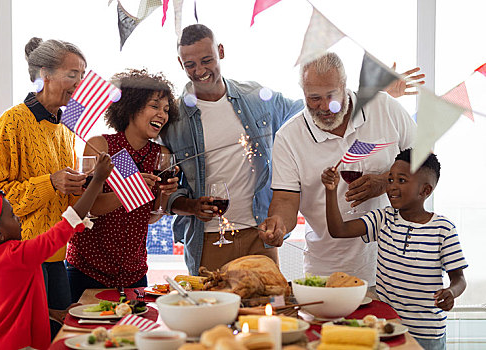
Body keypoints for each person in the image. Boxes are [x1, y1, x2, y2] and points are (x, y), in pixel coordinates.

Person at [259, 52, 417, 286]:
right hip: (327, 271)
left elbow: (425, 162)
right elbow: (285, 199)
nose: (325, 107)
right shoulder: (289, 137)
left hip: (395, 265)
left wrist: (386, 181)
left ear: (344, 86)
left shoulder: (384, 107)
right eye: (314, 98)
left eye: (331, 96)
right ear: (303, 93)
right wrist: (278, 224)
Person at [161, 24, 304, 275]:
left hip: (259, 233)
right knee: (212, 312)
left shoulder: (256, 97)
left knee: (267, 309)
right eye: (190, 64)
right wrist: (192, 206)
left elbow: (304, 113)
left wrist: (363, 97)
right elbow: (163, 190)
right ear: (180, 63)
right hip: (208, 240)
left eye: (207, 60)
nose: (200, 71)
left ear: (221, 51)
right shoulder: (173, 117)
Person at [0, 37, 87, 337]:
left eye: (82, 74)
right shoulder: (11, 123)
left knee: (60, 340)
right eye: (72, 74)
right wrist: (51, 183)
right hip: (21, 260)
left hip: (55, 256)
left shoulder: (66, 127)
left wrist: (82, 185)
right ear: (45, 75)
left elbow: (62, 195)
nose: (79, 82)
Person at [0, 153, 113, 350]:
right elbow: (65, 227)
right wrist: (98, 180)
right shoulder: (17, 255)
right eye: (12, 215)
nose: (18, 218)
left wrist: (53, 313)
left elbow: (8, 311)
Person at [321, 149, 467, 349]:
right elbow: (338, 230)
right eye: (390, 180)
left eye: (402, 180)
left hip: (427, 334)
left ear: (425, 191)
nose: (392, 187)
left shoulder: (443, 228)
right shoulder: (383, 218)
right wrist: (330, 191)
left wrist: (451, 292)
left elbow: (459, 279)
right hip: (387, 327)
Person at [66, 69, 180, 302]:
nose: (162, 114)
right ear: (132, 106)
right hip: (87, 271)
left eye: (167, 109)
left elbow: (151, 216)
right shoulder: (101, 146)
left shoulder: (162, 155)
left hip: (134, 275)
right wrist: (131, 189)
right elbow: (89, 209)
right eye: (155, 106)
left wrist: (164, 196)